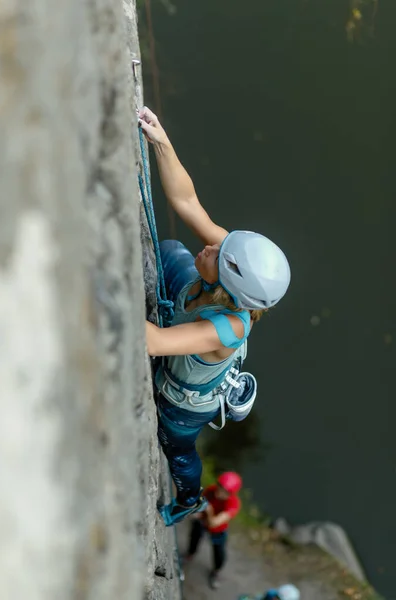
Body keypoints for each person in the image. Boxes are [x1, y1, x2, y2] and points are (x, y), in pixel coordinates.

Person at [139, 106, 291, 526]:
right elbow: (187, 202)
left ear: (226, 286)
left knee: (177, 447)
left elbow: (152, 342)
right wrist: (162, 142)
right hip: (195, 309)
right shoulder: (228, 269)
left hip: (186, 402)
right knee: (173, 252)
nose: (211, 245)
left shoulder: (224, 329)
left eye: (218, 256)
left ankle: (189, 499)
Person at [185, 471, 242, 590]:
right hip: (203, 522)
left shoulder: (233, 504)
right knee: (194, 536)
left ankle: (216, 571)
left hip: (217, 529)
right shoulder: (211, 490)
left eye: (224, 491)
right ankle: (190, 554)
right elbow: (200, 504)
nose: (219, 492)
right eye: (219, 487)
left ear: (230, 494)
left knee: (219, 553)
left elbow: (214, 523)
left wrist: (209, 511)